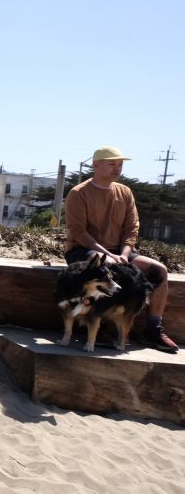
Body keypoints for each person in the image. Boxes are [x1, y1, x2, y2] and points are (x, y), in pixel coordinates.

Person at [64, 145, 179, 353]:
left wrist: (125, 254)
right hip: (83, 251)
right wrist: (108, 255)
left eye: (120, 164)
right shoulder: (78, 193)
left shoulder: (125, 192)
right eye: (112, 164)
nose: (117, 168)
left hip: (119, 252)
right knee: (108, 267)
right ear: (95, 165)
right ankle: (103, 329)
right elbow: (78, 231)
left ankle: (153, 328)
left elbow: (131, 228)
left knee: (159, 270)